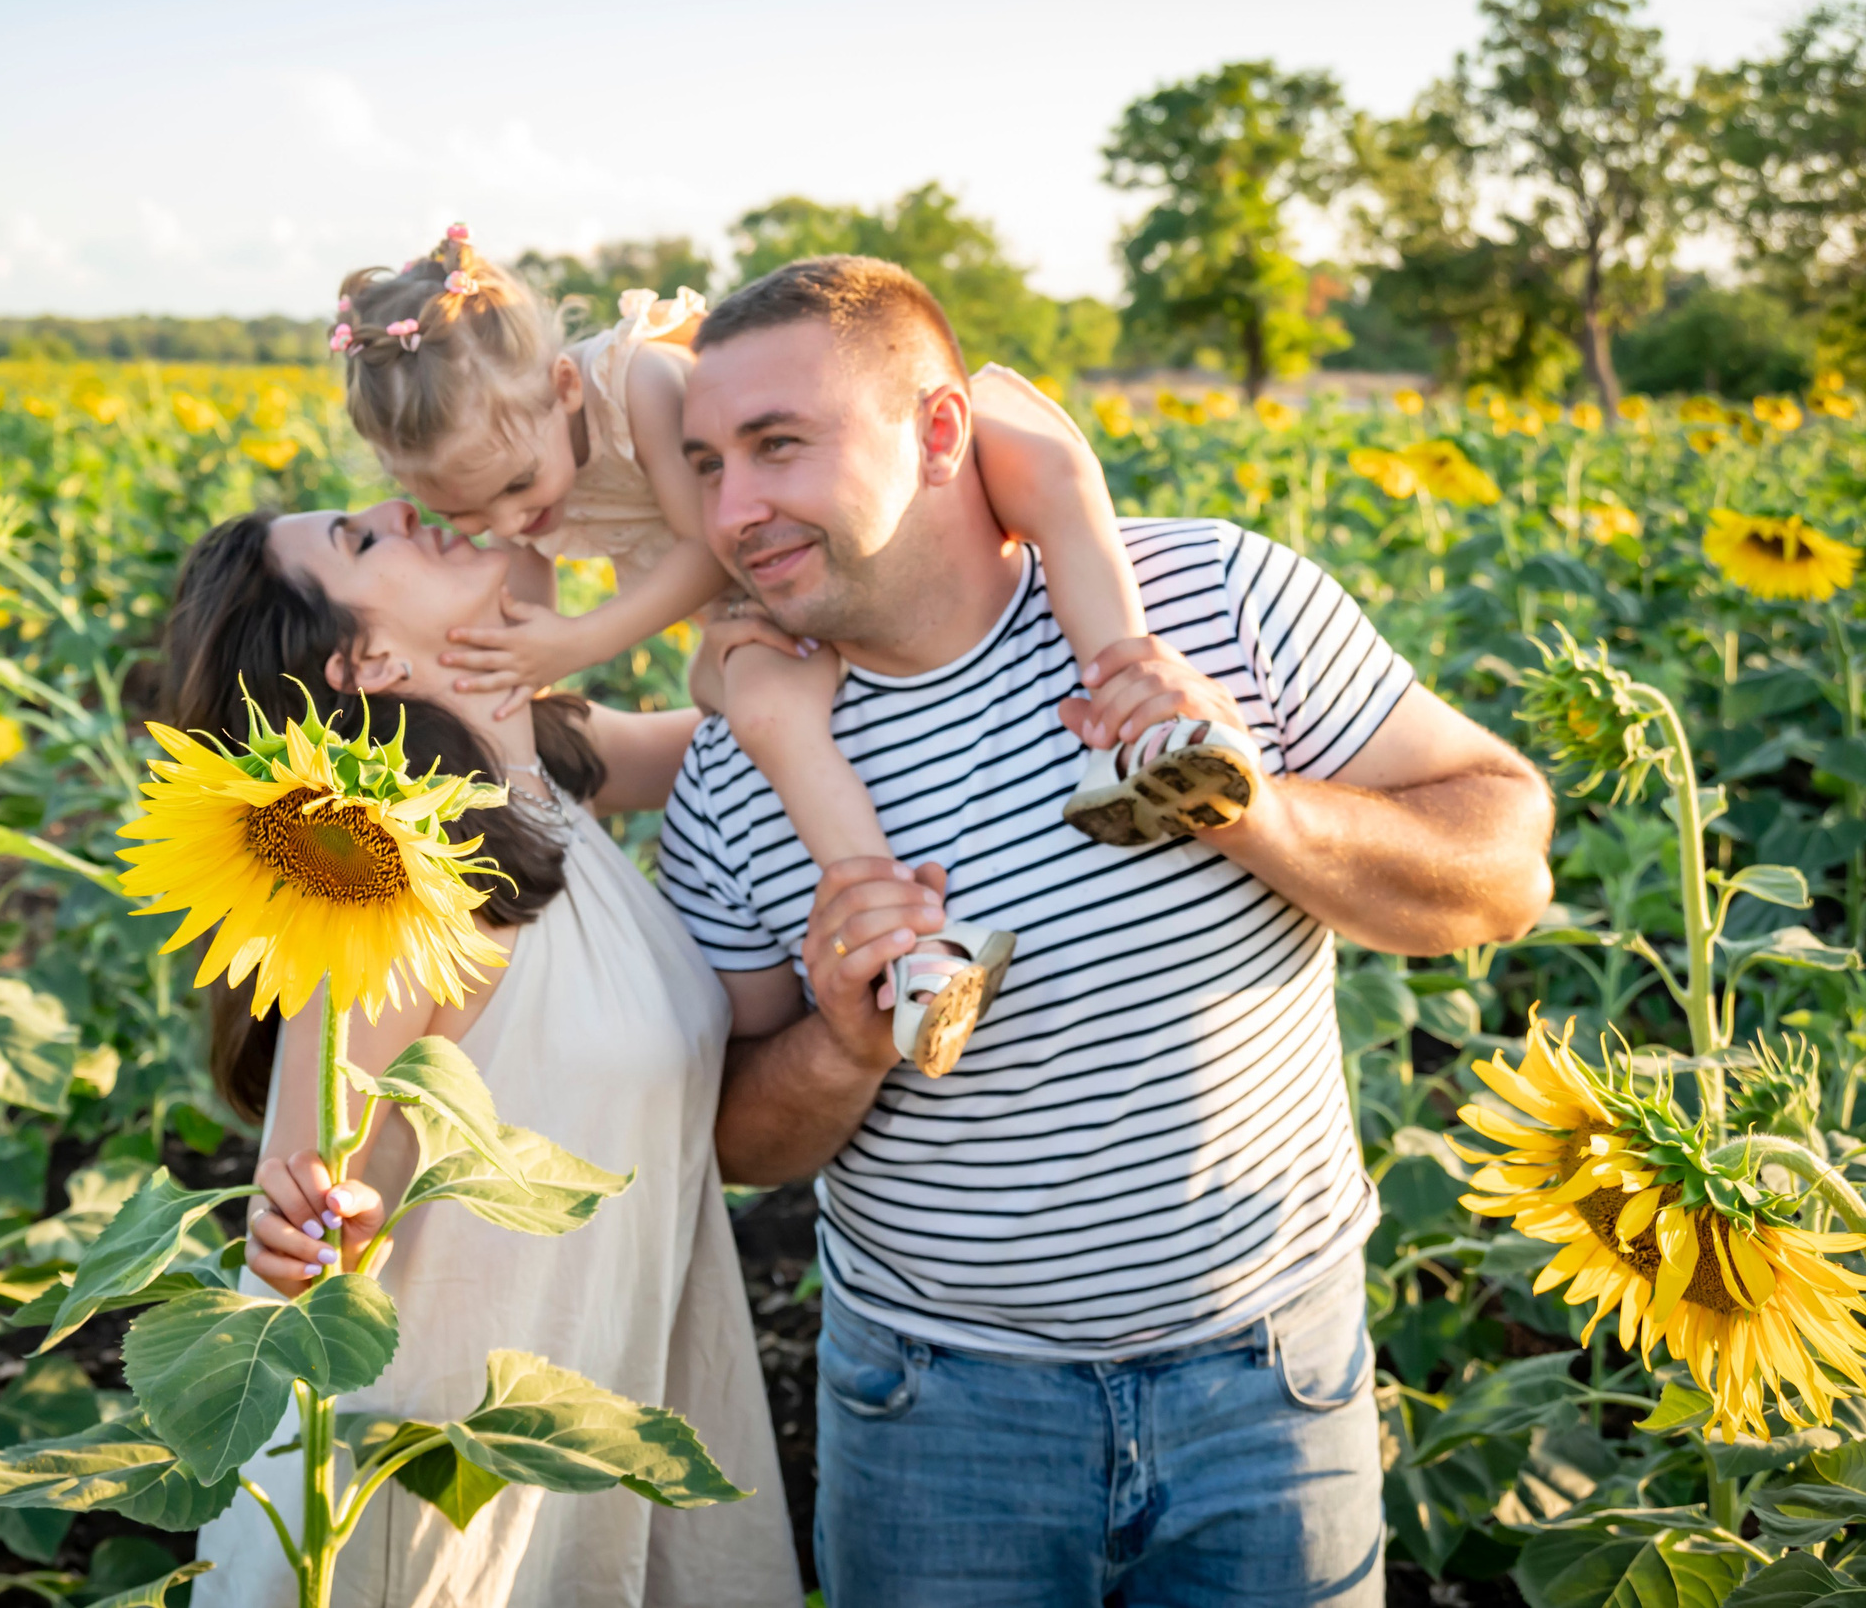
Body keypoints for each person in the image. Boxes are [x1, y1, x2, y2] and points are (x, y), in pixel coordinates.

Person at [659, 256, 1557, 1607]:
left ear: (943, 430)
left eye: (779, 446)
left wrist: (1252, 810)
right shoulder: (740, 768)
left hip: (1270, 1380)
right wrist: (844, 1045)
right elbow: (733, 1138)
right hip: (938, 1412)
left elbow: (1507, 861)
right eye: (707, 463)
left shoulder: (1217, 599)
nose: (733, 509)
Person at [326, 225, 1231, 1077]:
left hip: (776, 560)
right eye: (469, 515)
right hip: (762, 611)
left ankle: (1139, 715)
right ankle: (910, 947)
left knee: (1051, 471)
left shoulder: (631, 383)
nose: (511, 525)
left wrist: (578, 639)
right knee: (766, 717)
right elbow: (524, 638)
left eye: (519, 488)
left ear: (563, 386)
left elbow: (703, 543)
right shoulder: (516, 495)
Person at [166, 500, 805, 1608]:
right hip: (451, 1465)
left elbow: (763, 731)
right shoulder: (394, 880)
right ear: (365, 657)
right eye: (361, 540)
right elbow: (313, 1193)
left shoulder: (548, 762)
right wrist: (305, 1225)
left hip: (594, 1393)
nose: (395, 506)